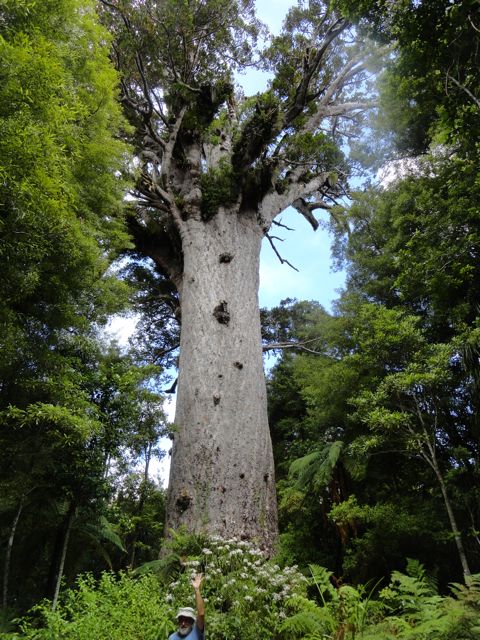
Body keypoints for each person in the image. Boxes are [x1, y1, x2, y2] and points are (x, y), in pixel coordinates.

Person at [169, 573, 205, 639]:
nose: (183, 623)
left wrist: (197, 589)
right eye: (181, 620)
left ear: (192, 621)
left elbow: (201, 614)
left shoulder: (197, 632)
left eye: (186, 620)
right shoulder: (172, 637)